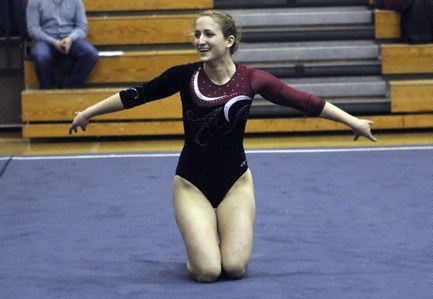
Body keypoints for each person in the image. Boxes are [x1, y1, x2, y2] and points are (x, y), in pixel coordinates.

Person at [69, 10, 377, 283]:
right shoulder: (184, 76)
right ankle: (198, 254)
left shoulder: (253, 80)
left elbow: (304, 101)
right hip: (191, 185)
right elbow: (136, 94)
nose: (200, 40)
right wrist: (88, 113)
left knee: (234, 268)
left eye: (208, 34)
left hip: (236, 184)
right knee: (208, 272)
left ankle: (213, 242)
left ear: (229, 41)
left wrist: (353, 121)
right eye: (197, 34)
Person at [26, 0, 99, 89]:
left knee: (91, 54)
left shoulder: (76, 1)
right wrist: (53, 42)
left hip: (70, 38)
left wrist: (70, 38)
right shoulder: (35, 1)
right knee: (41, 57)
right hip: (45, 39)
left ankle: (69, 88)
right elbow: (33, 29)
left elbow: (82, 27)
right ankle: (46, 91)